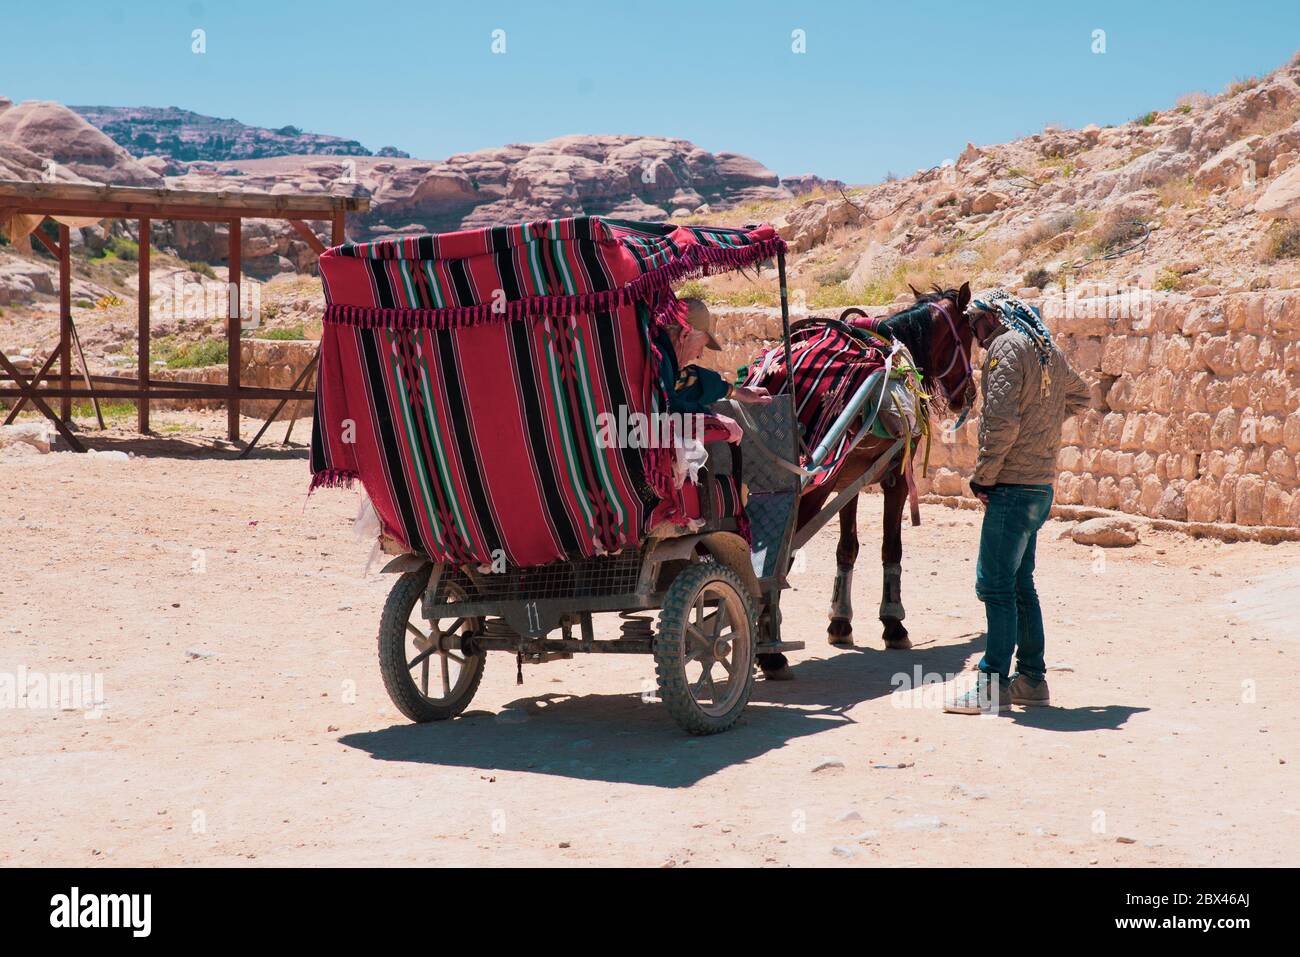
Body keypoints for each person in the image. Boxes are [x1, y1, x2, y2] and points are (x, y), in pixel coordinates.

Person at [945, 289, 1091, 715]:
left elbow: (1002, 422)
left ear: (993, 317)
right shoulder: (1048, 349)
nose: (974, 335)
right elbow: (1080, 397)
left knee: (994, 586)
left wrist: (983, 477)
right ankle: (1031, 680)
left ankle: (992, 682)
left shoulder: (1007, 346)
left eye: (975, 324)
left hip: (1010, 486)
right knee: (1021, 583)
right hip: (1040, 486)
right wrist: (1041, 425)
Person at [655, 298, 771, 427]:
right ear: (685, 334)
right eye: (700, 346)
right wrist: (714, 419)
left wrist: (735, 392)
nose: (699, 355)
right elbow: (669, 409)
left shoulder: (664, 357)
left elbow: (692, 382)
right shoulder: (658, 358)